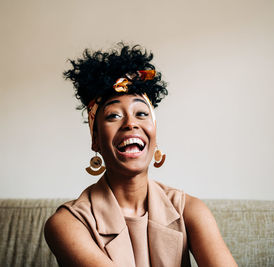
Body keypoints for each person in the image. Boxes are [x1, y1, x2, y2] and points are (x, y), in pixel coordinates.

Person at [44, 43, 237, 267]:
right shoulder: (67, 223)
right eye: (113, 115)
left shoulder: (190, 210)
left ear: (154, 133)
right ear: (95, 139)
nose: (131, 123)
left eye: (142, 113)